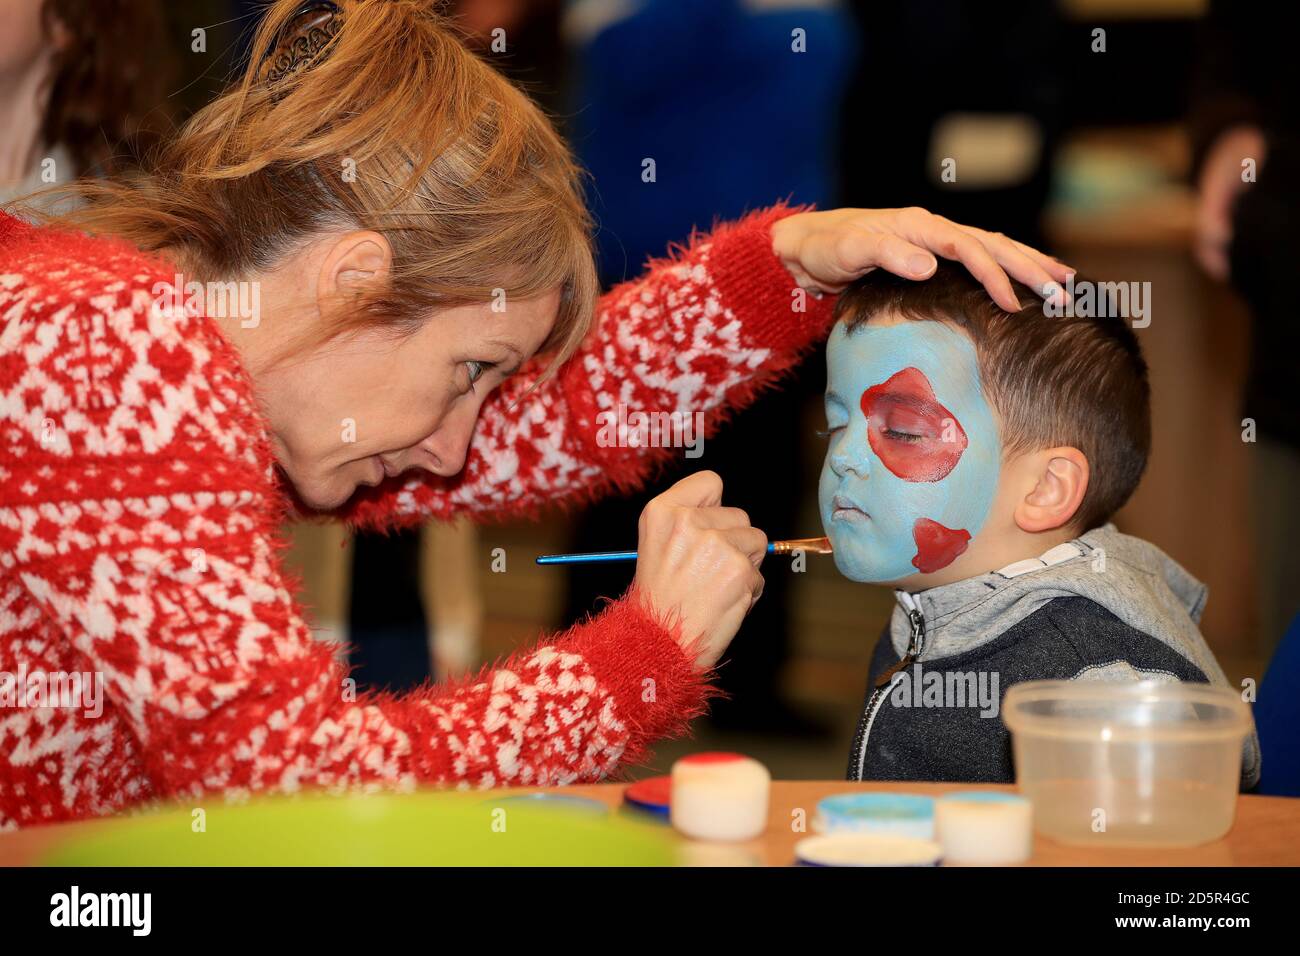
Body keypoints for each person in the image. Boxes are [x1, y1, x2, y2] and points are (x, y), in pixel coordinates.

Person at [0, 0, 1069, 828]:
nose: (467, 437)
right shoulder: (114, 351)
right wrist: (644, 652)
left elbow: (545, 424)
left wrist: (779, 266)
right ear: (350, 281)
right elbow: (293, 792)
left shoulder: (147, 330)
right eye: (471, 367)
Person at [821, 263, 1261, 787]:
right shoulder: (939, 605)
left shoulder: (1099, 686)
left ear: (1045, 489)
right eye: (836, 424)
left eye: (903, 430)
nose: (844, 457)